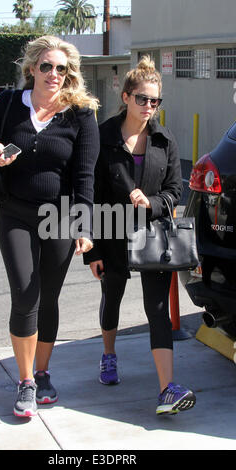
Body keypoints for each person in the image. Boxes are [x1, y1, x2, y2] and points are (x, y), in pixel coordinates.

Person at [0, 35, 100, 418]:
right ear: (31, 69)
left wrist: (83, 224)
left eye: (62, 68)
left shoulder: (80, 114)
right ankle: (25, 381)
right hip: (14, 213)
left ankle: (43, 373)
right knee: (26, 294)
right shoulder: (10, 103)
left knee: (50, 299)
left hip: (58, 217)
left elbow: (85, 176)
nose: (54, 74)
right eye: (47, 66)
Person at [84, 55, 196, 415]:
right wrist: (92, 251)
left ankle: (167, 388)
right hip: (112, 233)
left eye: (155, 101)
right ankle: (108, 355)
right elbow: (91, 193)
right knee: (112, 296)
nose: (149, 107)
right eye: (142, 99)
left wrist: (151, 202)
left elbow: (175, 191)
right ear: (126, 96)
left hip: (153, 236)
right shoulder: (102, 137)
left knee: (158, 309)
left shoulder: (164, 140)